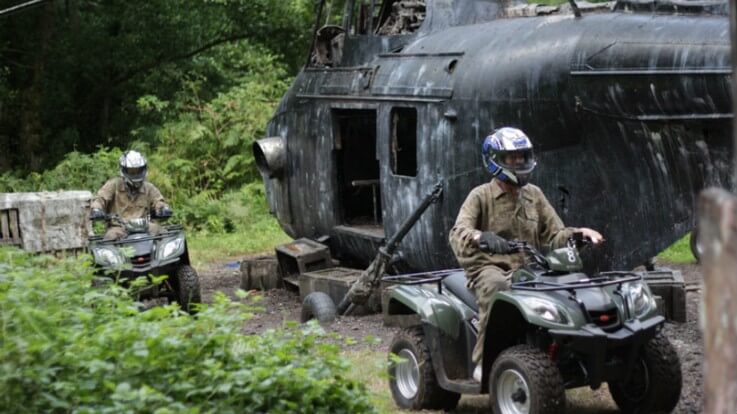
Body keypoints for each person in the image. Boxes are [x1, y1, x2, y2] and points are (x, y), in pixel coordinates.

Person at [448, 127, 603, 380]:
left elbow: (554, 236)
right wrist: (481, 237)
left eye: (522, 156)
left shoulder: (534, 195)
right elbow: (458, 232)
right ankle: (483, 362)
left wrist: (578, 234)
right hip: (490, 269)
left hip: (530, 269)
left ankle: (571, 351)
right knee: (496, 287)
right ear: (496, 159)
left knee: (569, 285)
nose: (519, 162)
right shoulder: (480, 196)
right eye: (512, 157)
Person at [90, 150, 172, 240]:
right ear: (124, 170)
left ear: (143, 169)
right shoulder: (114, 185)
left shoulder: (148, 187)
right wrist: (97, 209)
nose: (135, 174)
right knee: (110, 237)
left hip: (145, 226)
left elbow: (158, 201)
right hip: (120, 228)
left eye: (138, 170)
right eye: (132, 171)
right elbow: (100, 199)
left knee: (163, 233)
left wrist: (162, 208)